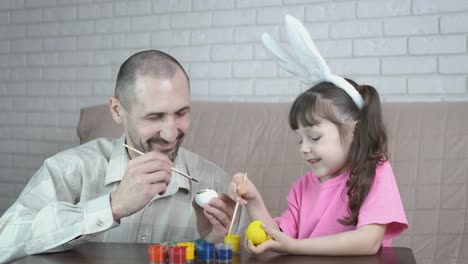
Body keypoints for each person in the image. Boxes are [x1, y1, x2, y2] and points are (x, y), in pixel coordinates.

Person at [0, 50, 238, 263]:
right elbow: (5, 244)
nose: (170, 134)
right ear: (117, 110)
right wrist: (112, 206)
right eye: (154, 117)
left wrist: (214, 246)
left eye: (181, 113)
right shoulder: (69, 169)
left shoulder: (215, 182)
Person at [228, 15, 408, 256]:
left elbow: (368, 241)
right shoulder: (303, 187)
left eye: (314, 137)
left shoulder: (375, 172)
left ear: (354, 131)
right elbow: (276, 237)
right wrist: (253, 200)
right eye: (300, 138)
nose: (303, 148)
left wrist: (295, 246)